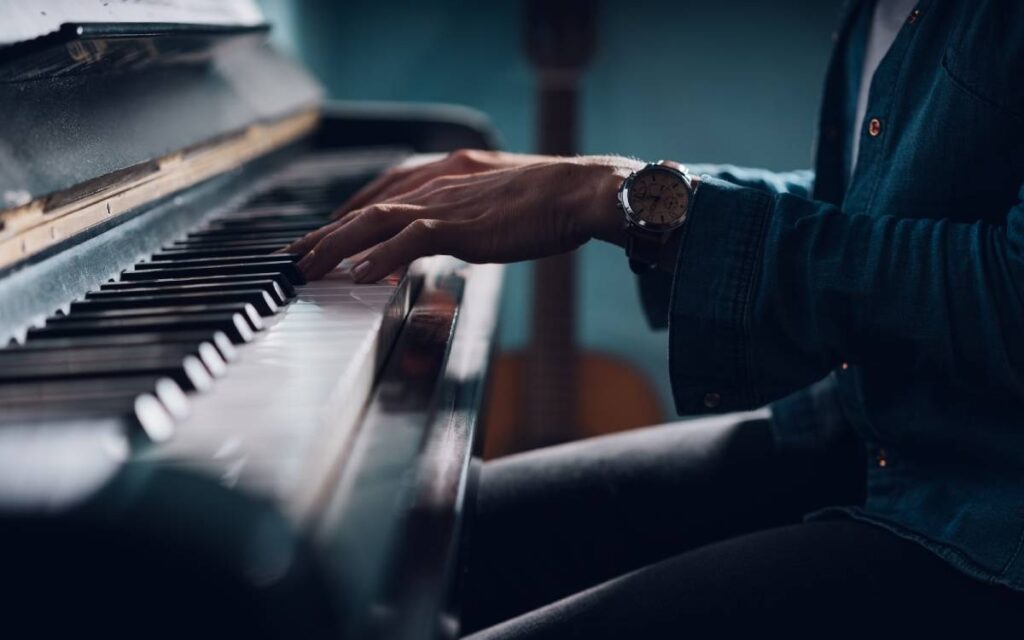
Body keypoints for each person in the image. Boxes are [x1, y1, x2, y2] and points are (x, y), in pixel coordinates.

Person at [288, 0, 1024, 635]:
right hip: (862, 427)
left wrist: (621, 201)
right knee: (354, 564)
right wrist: (617, 182)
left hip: (988, 518)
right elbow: (889, 206)